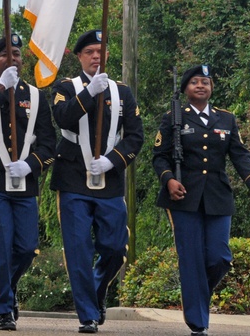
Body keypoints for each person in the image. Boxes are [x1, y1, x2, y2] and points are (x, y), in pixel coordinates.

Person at [152, 65, 250, 336]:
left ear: (212, 87)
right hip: (183, 197)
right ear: (185, 89)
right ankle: (198, 323)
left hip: (217, 195)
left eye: (205, 82)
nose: (201, 86)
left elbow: (239, 153)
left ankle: (195, 294)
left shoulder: (226, 119)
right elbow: (159, 156)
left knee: (219, 257)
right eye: (194, 82)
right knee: (191, 258)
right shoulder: (173, 117)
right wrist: (169, 180)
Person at [51, 29, 143, 334]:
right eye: (89, 51)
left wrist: (113, 160)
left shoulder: (122, 92)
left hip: (110, 181)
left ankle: (96, 288)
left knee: (115, 247)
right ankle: (88, 315)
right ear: (79, 57)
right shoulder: (66, 87)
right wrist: (89, 94)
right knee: (78, 250)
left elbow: (135, 137)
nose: (95, 57)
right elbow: (63, 118)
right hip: (73, 180)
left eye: (100, 52)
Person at [0, 33, 56, 331]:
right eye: (4, 55)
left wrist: (31, 165)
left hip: (23, 182)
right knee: (2, 245)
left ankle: (7, 287)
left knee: (27, 247)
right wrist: (3, 86)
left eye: (16, 54)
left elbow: (48, 144)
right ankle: (3, 308)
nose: (12, 59)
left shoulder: (37, 95)